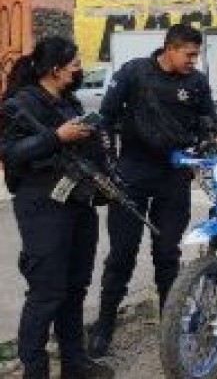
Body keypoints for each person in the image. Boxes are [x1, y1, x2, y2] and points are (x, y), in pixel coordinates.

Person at [87, 24, 215, 358]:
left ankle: (169, 327)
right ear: (170, 48)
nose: (193, 61)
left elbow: (208, 122)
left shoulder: (197, 82)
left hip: (174, 178)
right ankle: (104, 328)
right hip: (132, 176)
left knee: (167, 255)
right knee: (121, 256)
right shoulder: (134, 73)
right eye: (189, 55)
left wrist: (204, 143)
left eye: (196, 55)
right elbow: (105, 120)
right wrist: (111, 167)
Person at [0, 37, 114, 379]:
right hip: (41, 204)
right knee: (47, 291)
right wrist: (56, 137)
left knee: (75, 286)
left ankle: (74, 364)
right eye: (75, 65)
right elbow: (11, 154)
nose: (79, 71)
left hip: (78, 201)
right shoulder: (20, 105)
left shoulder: (69, 102)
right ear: (54, 69)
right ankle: (34, 371)